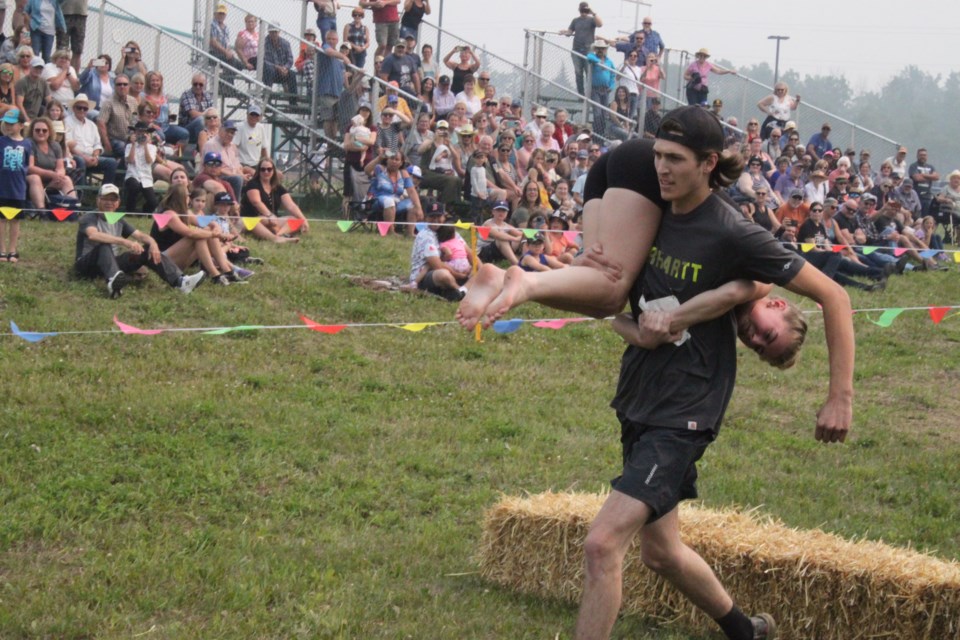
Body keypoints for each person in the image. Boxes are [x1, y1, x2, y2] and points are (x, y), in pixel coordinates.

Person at [458, 110, 855, 640]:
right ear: (780, 306)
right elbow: (831, 293)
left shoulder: (729, 237)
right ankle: (516, 280)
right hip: (642, 392)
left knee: (620, 545)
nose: (754, 338)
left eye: (759, 348)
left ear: (705, 164)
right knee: (606, 288)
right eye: (768, 332)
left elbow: (654, 312)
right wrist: (841, 398)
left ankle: (745, 631)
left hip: (682, 414)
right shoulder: (689, 226)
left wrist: (651, 324)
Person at [74, 183, 206, 298]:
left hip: (113, 263)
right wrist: (125, 242)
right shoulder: (89, 217)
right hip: (86, 265)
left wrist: (152, 243)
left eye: (113, 199)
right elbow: (93, 235)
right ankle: (113, 281)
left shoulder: (118, 220)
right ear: (98, 200)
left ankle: (180, 281)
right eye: (105, 199)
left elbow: (140, 235)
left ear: (118, 203)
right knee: (104, 246)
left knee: (147, 249)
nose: (109, 202)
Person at [149, 184, 239, 285]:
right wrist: (215, 234)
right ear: (181, 197)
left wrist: (215, 227)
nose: (189, 198)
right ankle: (216, 275)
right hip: (162, 262)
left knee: (205, 233)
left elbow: (203, 221)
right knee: (198, 236)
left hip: (176, 258)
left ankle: (227, 272)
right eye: (188, 195)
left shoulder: (184, 212)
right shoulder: (169, 214)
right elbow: (190, 233)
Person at [408, 198, 468, 300]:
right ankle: (460, 290)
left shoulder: (448, 230)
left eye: (438, 216)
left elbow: (469, 252)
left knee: (482, 269)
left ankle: (459, 291)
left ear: (444, 216)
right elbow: (437, 265)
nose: (435, 219)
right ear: (426, 218)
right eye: (432, 216)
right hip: (425, 276)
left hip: (454, 269)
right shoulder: (425, 236)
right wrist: (459, 275)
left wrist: (477, 267)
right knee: (443, 275)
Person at [240, 156, 309, 242]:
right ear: (259, 171)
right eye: (263, 169)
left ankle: (280, 234)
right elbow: (256, 202)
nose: (266, 172)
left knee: (295, 220)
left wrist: (303, 219)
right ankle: (276, 238)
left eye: (269, 169)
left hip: (273, 219)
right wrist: (269, 215)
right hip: (253, 219)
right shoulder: (252, 184)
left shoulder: (278, 187)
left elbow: (291, 205)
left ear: (273, 171)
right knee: (263, 220)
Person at [0, 109, 31, 263]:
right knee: (1, 219)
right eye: (6, 123)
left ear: (20, 125)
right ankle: (1, 250)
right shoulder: (1, 141)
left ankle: (12, 250)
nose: (8, 126)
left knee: (15, 220)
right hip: (2, 187)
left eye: (12, 124)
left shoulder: (27, 144)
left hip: (18, 189)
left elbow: (28, 164)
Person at [64, 93, 116, 184]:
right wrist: (85, 157)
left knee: (111, 162)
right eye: (79, 107)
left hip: (92, 157)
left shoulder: (91, 125)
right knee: (80, 161)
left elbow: (97, 144)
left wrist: (95, 157)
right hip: (75, 156)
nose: (82, 110)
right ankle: (81, 195)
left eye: (85, 108)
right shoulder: (67, 122)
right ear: (73, 108)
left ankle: (106, 192)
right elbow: (68, 145)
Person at [26, 114, 73, 201]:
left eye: (44, 130)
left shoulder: (55, 145)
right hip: (31, 180)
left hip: (51, 181)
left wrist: (59, 176)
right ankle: (42, 211)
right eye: (37, 130)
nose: (41, 132)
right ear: (32, 131)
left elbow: (61, 167)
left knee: (66, 179)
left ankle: (72, 208)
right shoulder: (29, 143)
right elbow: (30, 167)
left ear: (49, 132)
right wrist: (51, 174)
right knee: (35, 178)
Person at [560, 2, 603, 96]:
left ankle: (590, 94)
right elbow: (570, 32)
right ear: (579, 10)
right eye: (582, 10)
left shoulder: (592, 20)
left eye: (585, 10)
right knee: (578, 73)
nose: (583, 13)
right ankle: (581, 94)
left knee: (589, 72)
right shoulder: (575, 20)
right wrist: (564, 32)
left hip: (588, 50)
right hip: (576, 49)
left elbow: (600, 24)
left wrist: (593, 13)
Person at [318, 30, 350, 140]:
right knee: (328, 118)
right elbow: (328, 51)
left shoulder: (339, 59)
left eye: (334, 39)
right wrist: (344, 56)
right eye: (329, 39)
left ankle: (334, 141)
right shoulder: (325, 47)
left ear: (337, 40)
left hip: (337, 92)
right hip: (326, 90)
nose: (331, 41)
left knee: (335, 119)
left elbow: (344, 77)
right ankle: (329, 142)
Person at [96, 72, 136, 160]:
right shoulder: (108, 103)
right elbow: (101, 124)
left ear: (129, 86)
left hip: (131, 138)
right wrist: (107, 145)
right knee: (123, 147)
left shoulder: (133, 101)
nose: (122, 87)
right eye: (119, 84)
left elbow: (136, 121)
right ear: (114, 87)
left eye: (125, 84)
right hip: (115, 140)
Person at [585, 41, 615, 137]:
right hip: (595, 90)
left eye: (602, 48)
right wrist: (599, 63)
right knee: (597, 113)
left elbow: (613, 74)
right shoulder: (593, 58)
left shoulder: (609, 61)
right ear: (595, 49)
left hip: (605, 90)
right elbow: (589, 57)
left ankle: (601, 134)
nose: (600, 50)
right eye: (598, 48)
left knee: (604, 114)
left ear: (605, 50)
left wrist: (611, 85)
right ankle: (597, 133)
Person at [263, 25, 297, 96]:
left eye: (275, 32)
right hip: (271, 72)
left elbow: (290, 59)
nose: (274, 34)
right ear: (269, 32)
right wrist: (277, 67)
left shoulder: (285, 43)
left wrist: (285, 68)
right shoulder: (264, 43)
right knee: (269, 71)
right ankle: (267, 99)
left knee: (292, 74)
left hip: (283, 71)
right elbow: (265, 60)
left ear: (279, 32)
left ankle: (293, 103)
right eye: (272, 32)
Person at [14, 54, 48, 121]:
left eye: (40, 68)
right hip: (22, 117)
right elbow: (19, 103)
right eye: (36, 67)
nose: (38, 70)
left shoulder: (43, 82)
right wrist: (27, 119)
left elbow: (49, 101)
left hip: (37, 117)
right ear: (30, 67)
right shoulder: (22, 82)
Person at [208, 3, 242, 69]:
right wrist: (226, 52)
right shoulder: (213, 25)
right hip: (213, 53)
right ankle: (226, 78)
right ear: (215, 14)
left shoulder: (226, 28)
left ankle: (225, 77)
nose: (221, 15)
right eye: (219, 13)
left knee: (240, 65)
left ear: (225, 15)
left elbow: (227, 44)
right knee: (232, 62)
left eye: (223, 14)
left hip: (223, 54)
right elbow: (213, 42)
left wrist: (229, 52)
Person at [58, 0, 87, 72]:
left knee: (78, 50)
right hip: (64, 13)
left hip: (81, 13)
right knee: (62, 49)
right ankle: (60, 74)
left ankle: (74, 75)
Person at [908, 148, 939, 216]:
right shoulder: (913, 166)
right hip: (916, 195)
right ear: (917, 156)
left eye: (924, 155)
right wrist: (930, 177)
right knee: (916, 216)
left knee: (926, 216)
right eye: (921, 155)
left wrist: (922, 174)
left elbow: (936, 177)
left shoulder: (931, 167)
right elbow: (917, 178)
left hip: (927, 196)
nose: (923, 157)